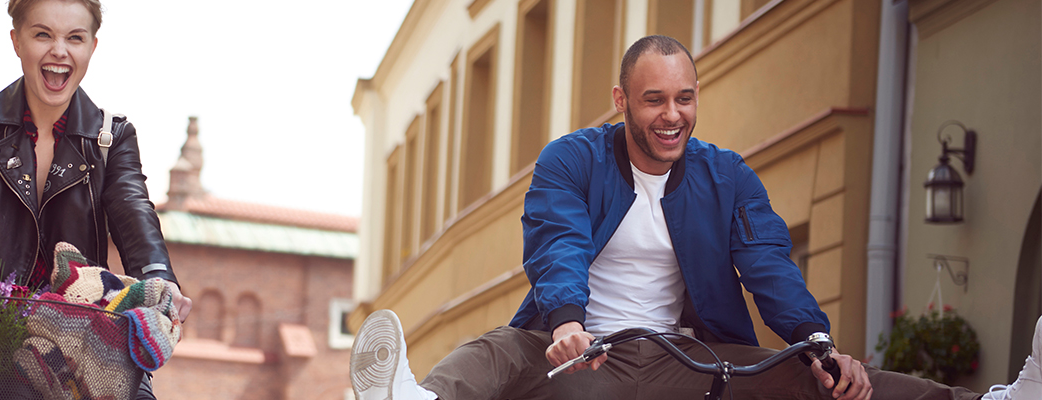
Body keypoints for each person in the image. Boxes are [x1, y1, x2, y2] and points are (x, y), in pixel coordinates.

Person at [350, 35, 1041, 400]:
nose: (671, 115)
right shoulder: (572, 160)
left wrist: (817, 339)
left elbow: (768, 263)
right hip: (582, 350)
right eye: (654, 100)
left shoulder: (727, 175)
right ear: (622, 98)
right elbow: (556, 238)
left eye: (684, 98)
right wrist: (564, 322)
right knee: (496, 351)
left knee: (825, 379)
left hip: (690, 356)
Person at [0, 0, 192, 399]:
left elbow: (134, 211)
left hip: (84, 333)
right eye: (42, 34)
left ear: (92, 48)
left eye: (74, 38)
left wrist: (159, 280)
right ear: (17, 41)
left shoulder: (112, 140)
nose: (59, 51)